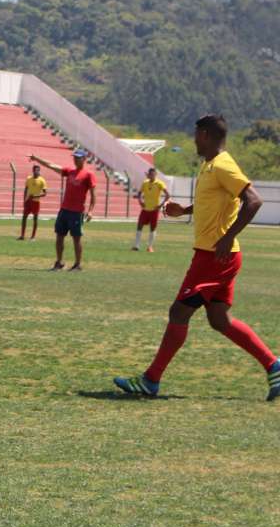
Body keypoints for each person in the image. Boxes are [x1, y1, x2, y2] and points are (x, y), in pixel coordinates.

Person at [114, 114, 280, 400]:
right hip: (218, 256)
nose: (193, 141)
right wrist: (184, 210)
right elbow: (214, 202)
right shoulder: (210, 166)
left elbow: (254, 201)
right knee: (219, 320)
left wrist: (227, 237)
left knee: (179, 312)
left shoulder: (223, 165)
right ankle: (274, 365)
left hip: (214, 258)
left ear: (205, 134)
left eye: (195, 135)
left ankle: (151, 380)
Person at [29, 149, 97, 271]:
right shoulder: (69, 171)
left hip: (76, 212)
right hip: (64, 210)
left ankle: (77, 264)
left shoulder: (88, 175)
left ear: (84, 159)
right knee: (59, 236)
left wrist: (91, 210)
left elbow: (93, 195)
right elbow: (51, 165)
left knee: (76, 238)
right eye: (74, 157)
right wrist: (36, 158)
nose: (75, 160)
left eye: (78, 158)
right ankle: (59, 262)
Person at [132, 167, 170, 252]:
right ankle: (136, 246)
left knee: (152, 228)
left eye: (153, 174)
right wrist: (140, 201)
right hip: (145, 209)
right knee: (139, 226)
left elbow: (167, 195)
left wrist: (160, 205)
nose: (152, 176)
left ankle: (150, 247)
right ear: (148, 174)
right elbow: (139, 193)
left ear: (156, 175)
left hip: (154, 210)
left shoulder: (160, 183)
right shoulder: (145, 183)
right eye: (150, 174)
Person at [17, 164, 47, 240]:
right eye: (35, 170)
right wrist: (24, 200)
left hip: (36, 202)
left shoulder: (42, 180)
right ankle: (22, 236)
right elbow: (26, 189)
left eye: (37, 170)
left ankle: (33, 237)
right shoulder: (29, 179)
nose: (36, 171)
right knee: (24, 217)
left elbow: (45, 194)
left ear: (39, 171)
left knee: (35, 218)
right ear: (33, 170)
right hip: (28, 201)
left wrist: (35, 196)